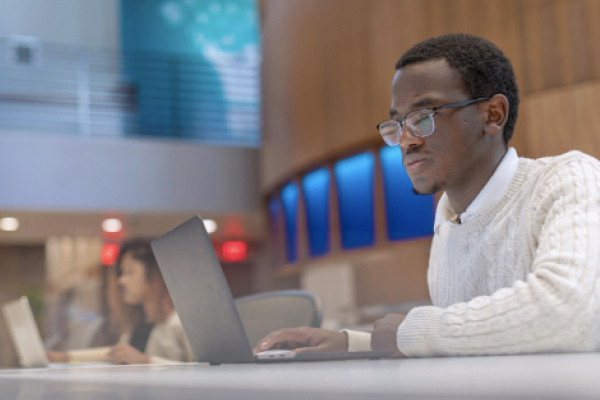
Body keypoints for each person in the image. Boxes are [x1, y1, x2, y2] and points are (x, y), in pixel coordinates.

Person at [255, 33, 600, 358]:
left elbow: (571, 311)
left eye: (423, 116)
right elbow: (474, 337)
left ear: (493, 115)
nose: (406, 140)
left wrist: (410, 331)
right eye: (398, 123)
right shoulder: (448, 222)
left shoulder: (567, 179)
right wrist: (352, 344)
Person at [48, 238, 193, 364]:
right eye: (122, 273)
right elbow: (113, 355)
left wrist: (146, 361)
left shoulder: (178, 324)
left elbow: (204, 369)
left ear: (154, 275)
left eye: (130, 272)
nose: (121, 280)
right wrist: (62, 357)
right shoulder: (136, 326)